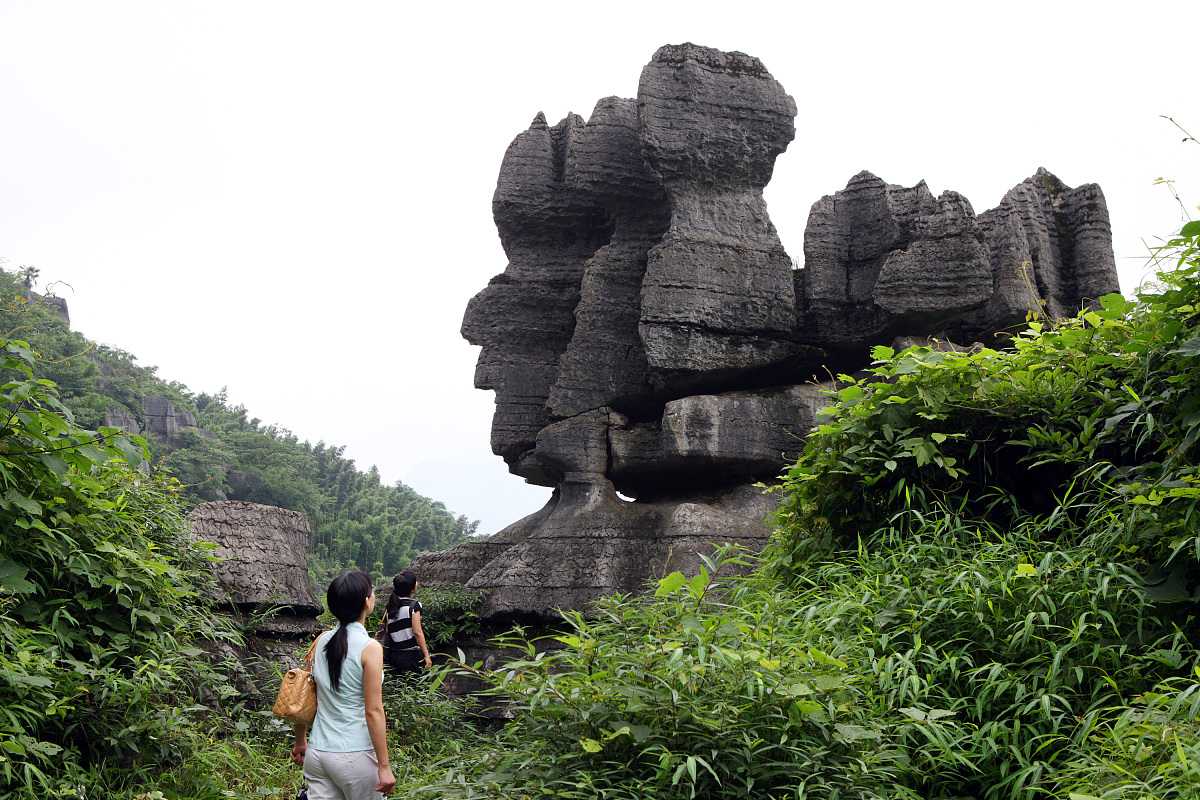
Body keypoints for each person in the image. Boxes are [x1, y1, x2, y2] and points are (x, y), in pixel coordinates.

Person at [290, 570, 396, 799]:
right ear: (366, 601)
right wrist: (384, 766)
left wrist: (301, 741)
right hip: (355, 755)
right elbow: (373, 711)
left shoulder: (321, 641)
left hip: (318, 754)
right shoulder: (370, 648)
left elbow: (304, 695)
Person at [376, 570, 431, 678]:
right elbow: (417, 632)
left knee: (399, 685)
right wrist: (426, 655)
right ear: (412, 588)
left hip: (395, 656)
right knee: (416, 685)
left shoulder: (390, 606)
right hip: (411, 656)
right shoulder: (414, 606)